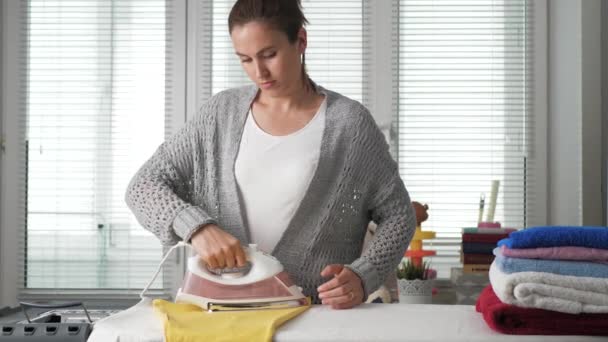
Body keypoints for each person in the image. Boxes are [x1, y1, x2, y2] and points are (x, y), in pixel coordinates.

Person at [125, 0, 415, 309]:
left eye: (269, 55)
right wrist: (197, 228)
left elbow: (399, 215)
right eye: (245, 59)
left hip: (314, 319)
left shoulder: (350, 125)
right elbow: (143, 187)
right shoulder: (219, 115)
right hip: (220, 315)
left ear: (300, 41)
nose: (259, 71)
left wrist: (362, 276)